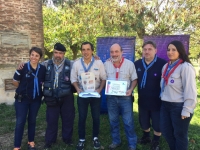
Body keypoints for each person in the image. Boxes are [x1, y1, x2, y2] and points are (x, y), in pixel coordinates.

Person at [160, 40, 197, 150]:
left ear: (180, 51)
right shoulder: (166, 66)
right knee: (166, 132)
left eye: (173, 50)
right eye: (168, 50)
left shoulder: (185, 67)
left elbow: (190, 90)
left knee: (179, 135)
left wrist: (187, 109)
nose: (170, 52)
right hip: (165, 105)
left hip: (179, 107)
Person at [70, 42, 106, 150]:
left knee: (96, 117)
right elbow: (73, 79)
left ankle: (95, 138)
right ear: (81, 51)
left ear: (92, 51)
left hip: (95, 95)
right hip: (82, 95)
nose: (86, 52)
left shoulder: (99, 63)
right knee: (82, 117)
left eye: (88, 49)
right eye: (83, 49)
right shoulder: (76, 64)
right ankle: (81, 139)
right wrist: (77, 89)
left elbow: (104, 78)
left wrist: (99, 89)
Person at [104, 43, 137, 150]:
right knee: (113, 121)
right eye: (112, 52)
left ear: (122, 52)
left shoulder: (129, 64)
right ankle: (116, 141)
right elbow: (102, 78)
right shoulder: (106, 64)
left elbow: (134, 79)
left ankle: (132, 144)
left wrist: (131, 90)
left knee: (128, 121)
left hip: (125, 97)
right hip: (111, 98)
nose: (114, 54)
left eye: (116, 51)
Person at [134, 41, 166, 150]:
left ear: (155, 50)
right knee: (143, 121)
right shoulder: (137, 64)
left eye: (150, 49)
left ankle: (156, 141)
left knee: (157, 123)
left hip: (157, 100)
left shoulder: (163, 64)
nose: (147, 51)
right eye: (145, 49)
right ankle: (146, 137)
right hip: (143, 99)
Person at [42, 43, 75, 149]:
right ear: (53, 53)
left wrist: (96, 59)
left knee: (68, 119)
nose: (58, 55)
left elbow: (85, 64)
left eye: (60, 53)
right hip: (51, 96)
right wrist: (22, 65)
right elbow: (33, 67)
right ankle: (49, 141)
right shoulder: (45, 64)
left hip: (67, 96)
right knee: (51, 120)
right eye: (56, 52)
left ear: (64, 54)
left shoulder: (71, 64)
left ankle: (67, 139)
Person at [12, 47, 46, 150]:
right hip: (22, 100)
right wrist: (18, 73)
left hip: (35, 100)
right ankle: (17, 146)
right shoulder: (22, 67)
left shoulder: (42, 69)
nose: (34, 57)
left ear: (40, 57)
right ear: (29, 55)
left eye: (37, 55)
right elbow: (14, 82)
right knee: (20, 122)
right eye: (32, 55)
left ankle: (30, 142)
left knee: (32, 121)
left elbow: (43, 82)